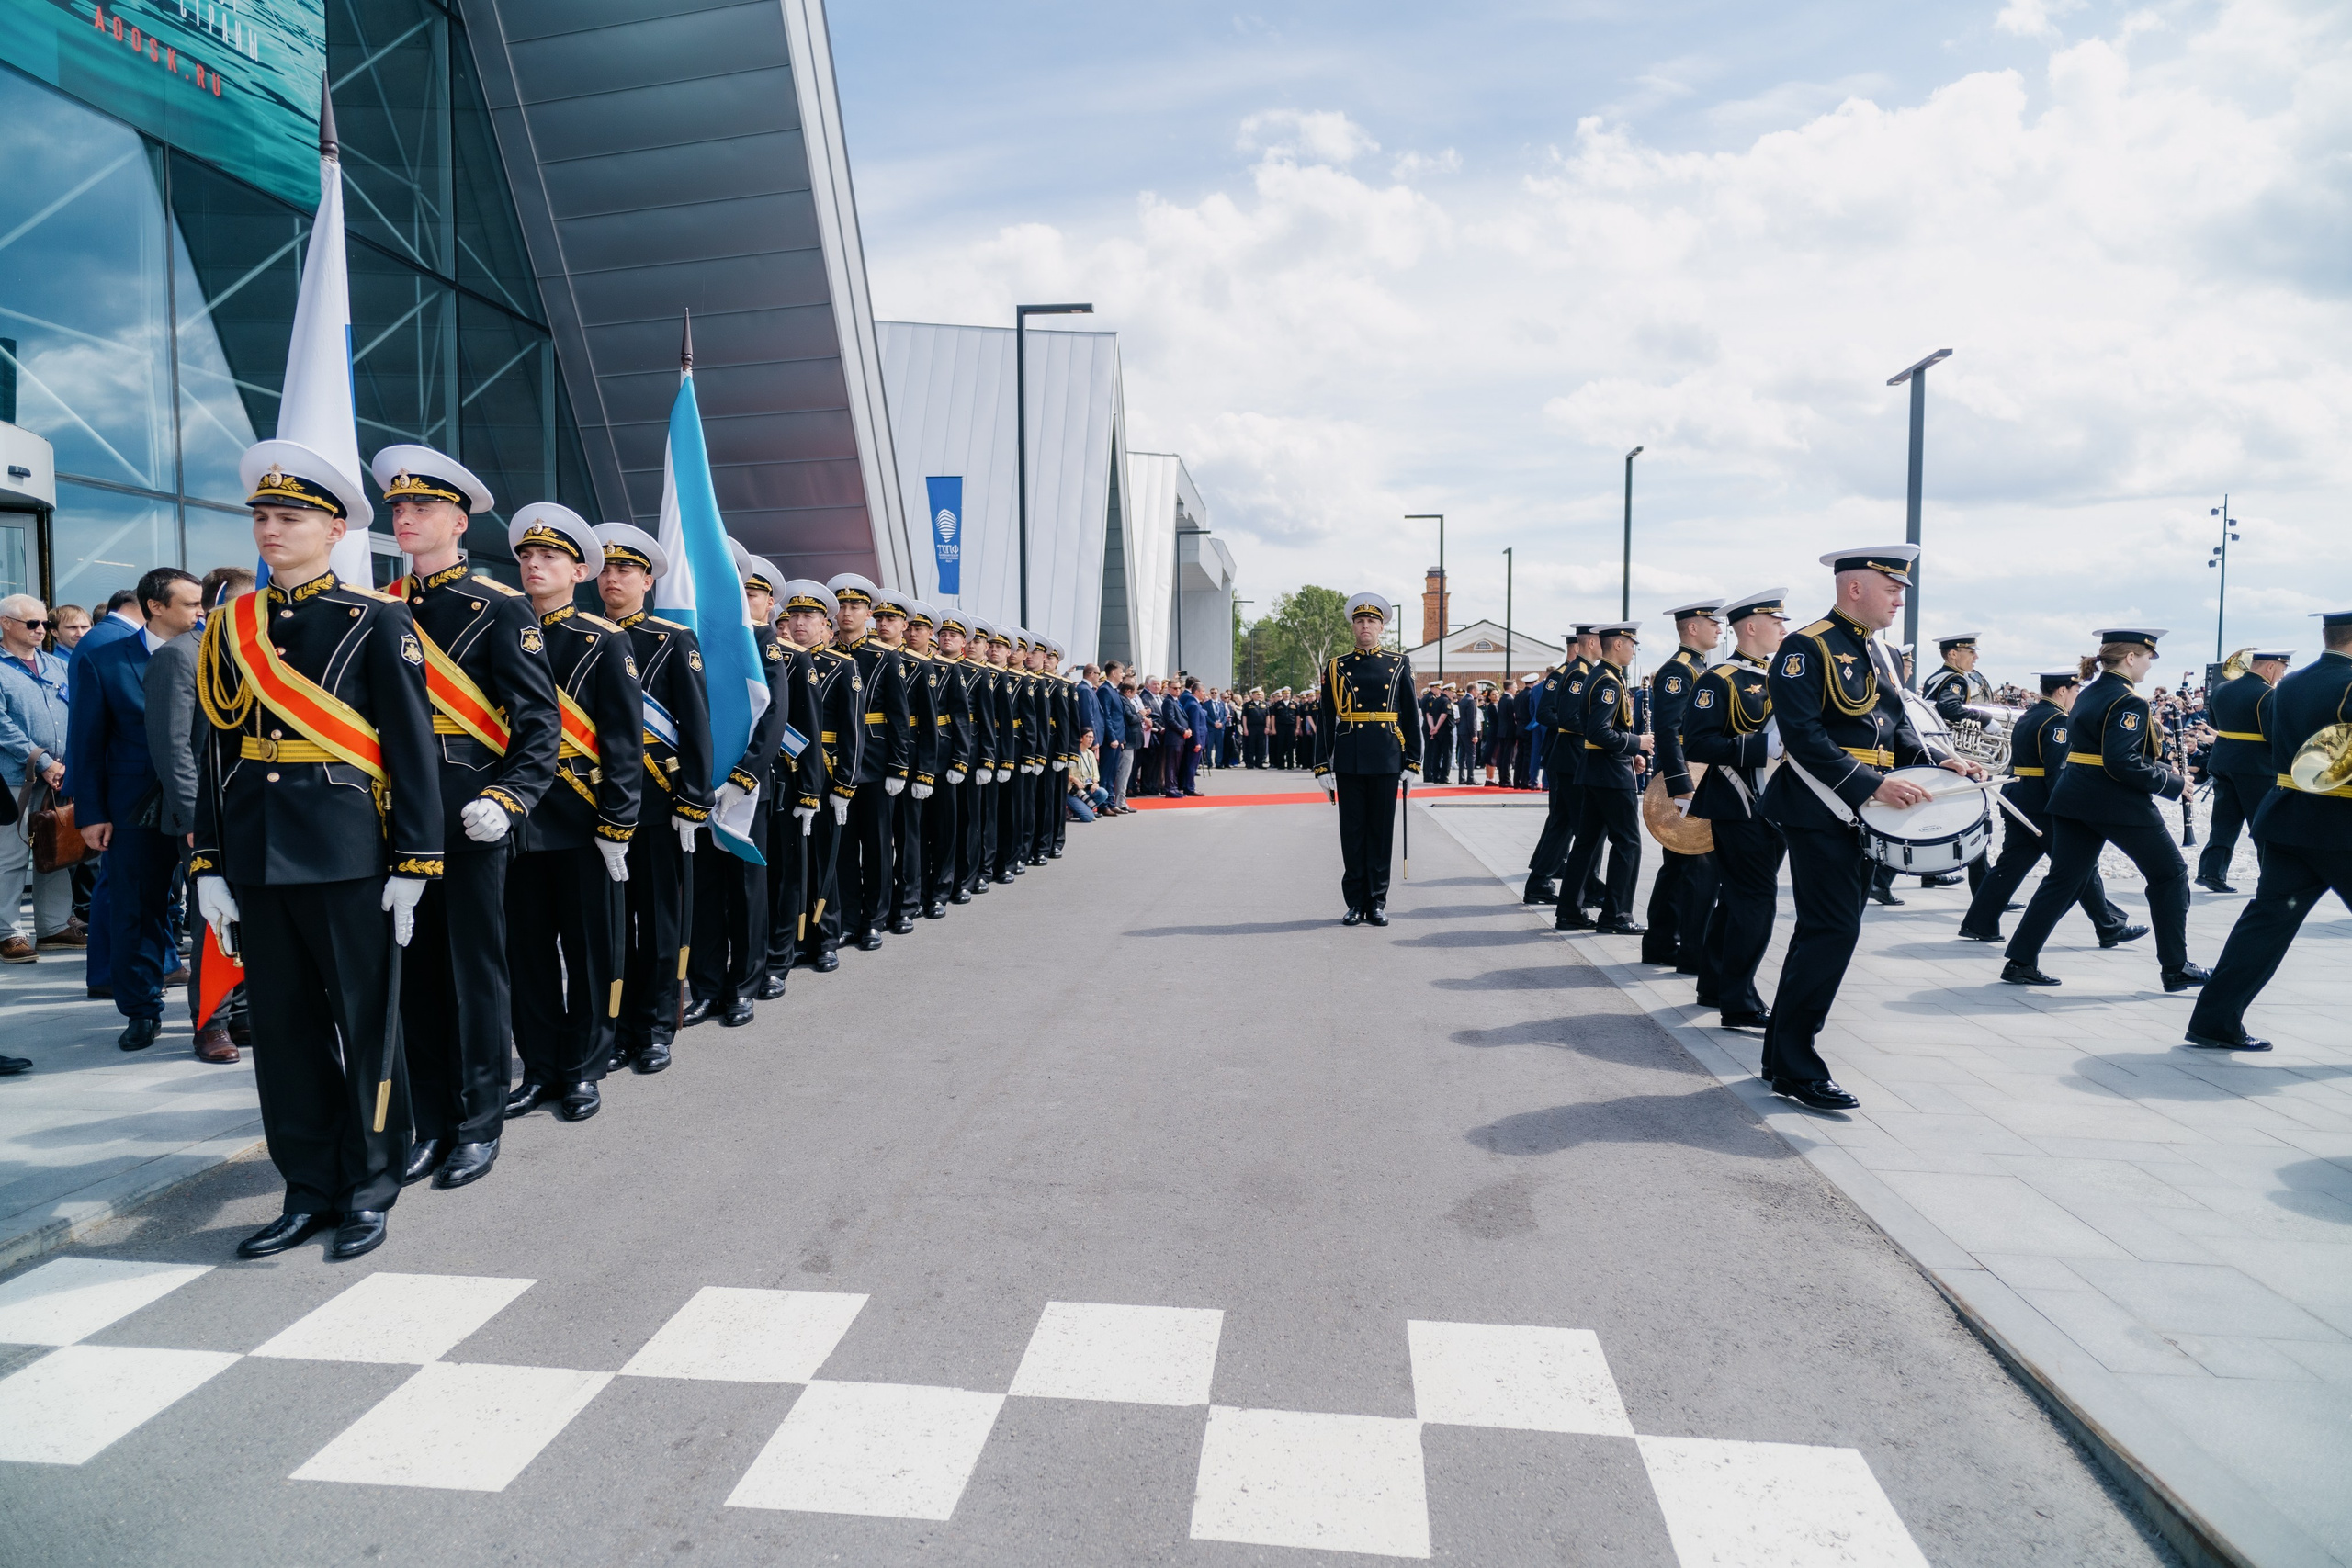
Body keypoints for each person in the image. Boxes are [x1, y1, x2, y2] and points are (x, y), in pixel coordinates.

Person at [192, 438, 441, 1261]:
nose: (271, 529)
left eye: (290, 517)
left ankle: (370, 1184)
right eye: (263, 516)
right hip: (258, 854)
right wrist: (208, 862)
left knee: (367, 1027)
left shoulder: (378, 618)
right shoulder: (231, 626)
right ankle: (306, 1187)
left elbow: (411, 749)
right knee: (285, 1034)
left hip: (347, 853)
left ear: (335, 529)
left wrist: (415, 861)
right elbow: (215, 749)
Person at [375, 445, 560, 1193]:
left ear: (458, 521)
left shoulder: (499, 607)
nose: (405, 517)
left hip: (468, 810)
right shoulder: (378, 605)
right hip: (392, 813)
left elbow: (539, 724)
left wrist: (509, 797)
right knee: (414, 973)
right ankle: (432, 1121)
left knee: (473, 972)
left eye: (421, 507)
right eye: (397, 507)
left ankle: (479, 1121)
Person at [1758, 545, 1981, 1111]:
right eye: (1892, 589)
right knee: (1833, 931)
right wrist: (1870, 785)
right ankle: (1798, 1067)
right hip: (1820, 806)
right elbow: (1803, 735)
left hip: (1864, 808)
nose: (1900, 600)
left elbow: (1893, 728)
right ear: (1855, 588)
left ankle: (1780, 1056)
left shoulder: (1878, 652)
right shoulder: (1806, 646)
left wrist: (1940, 761)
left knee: (1824, 931)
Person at [502, 505, 640, 1124]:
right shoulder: (499, 630)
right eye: (527, 556)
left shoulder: (604, 641)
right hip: (515, 819)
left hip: (582, 816)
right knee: (526, 955)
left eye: (550, 557)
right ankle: (540, 1067)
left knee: (590, 952)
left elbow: (623, 741)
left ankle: (584, 1066)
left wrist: (617, 821)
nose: (535, 565)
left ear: (579, 571)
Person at [2000, 630, 2209, 993]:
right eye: (2147, 657)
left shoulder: (2089, 692)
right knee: (2170, 875)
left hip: (2074, 794)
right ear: (2130, 657)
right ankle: (2175, 967)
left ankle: (2020, 960)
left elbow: (2098, 752)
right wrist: (2172, 783)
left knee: (2064, 880)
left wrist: (2164, 773)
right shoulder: (2129, 700)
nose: (2149, 665)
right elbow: (2120, 762)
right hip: (2114, 800)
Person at [2185, 611, 2352, 1051]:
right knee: (2266, 921)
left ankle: (2214, 1021)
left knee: (2265, 923)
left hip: (2288, 816)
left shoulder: (2290, 683)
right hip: (2340, 825)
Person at [68, 566, 203, 1050]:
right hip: (131, 809)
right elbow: (86, 743)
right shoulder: (104, 660)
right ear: (156, 607)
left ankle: (214, 1014)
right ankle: (141, 1011)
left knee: (210, 908)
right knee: (136, 910)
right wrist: (90, 813)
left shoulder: (210, 654)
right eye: (190, 604)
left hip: (200, 802)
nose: (201, 612)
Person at [601, 524, 713, 1072]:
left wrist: (692, 801)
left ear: (648, 581)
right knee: (610, 926)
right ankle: (615, 1028)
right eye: (606, 568)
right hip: (594, 797)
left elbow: (696, 726)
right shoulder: (582, 634)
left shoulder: (671, 641)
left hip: (655, 800)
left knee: (658, 921)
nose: (613, 578)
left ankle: (655, 1026)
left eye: (625, 569)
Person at [144, 568, 253, 1062]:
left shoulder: (255, 653)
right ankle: (211, 1022)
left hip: (254, 810)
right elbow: (172, 747)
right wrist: (193, 820)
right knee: (213, 919)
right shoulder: (179, 655)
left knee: (248, 914)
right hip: (207, 815)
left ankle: (244, 1012)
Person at [1956, 669, 2143, 948]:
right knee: (2080, 864)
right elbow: (2057, 771)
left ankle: (1979, 922)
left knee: (2012, 864)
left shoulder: (2030, 715)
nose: (2078, 696)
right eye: (2076, 690)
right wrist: (2071, 809)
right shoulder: (2058, 722)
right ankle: (2108, 926)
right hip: (2042, 803)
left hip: (2019, 797)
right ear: (2063, 690)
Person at [684, 547, 793, 1027]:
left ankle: (744, 985)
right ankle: (706, 988)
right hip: (700, 786)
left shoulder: (763, 643)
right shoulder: (693, 637)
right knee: (705, 893)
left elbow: (772, 718)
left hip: (744, 790)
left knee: (747, 890)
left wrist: (744, 776)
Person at [1682, 589, 1789, 1029]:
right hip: (1737, 801)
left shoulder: (1779, 677)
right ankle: (1740, 1002)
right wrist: (1762, 747)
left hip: (1772, 804)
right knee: (1757, 902)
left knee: (1738, 899)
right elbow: (1698, 743)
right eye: (1776, 622)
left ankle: (1714, 984)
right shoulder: (1720, 679)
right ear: (1750, 627)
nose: (1783, 629)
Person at [1314, 593, 1419, 925]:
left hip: (1387, 756)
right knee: (1353, 832)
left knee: (1380, 832)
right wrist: (1322, 765)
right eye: (1360, 621)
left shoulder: (1399, 663)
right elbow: (1326, 717)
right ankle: (1355, 902)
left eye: (1371, 621)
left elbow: (1411, 714)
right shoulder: (1337, 666)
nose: (1365, 626)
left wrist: (1412, 762)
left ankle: (1376, 901)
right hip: (1351, 757)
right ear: (1353, 627)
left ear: (1381, 627)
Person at [827, 574, 910, 949]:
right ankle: (848, 918)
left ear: (869, 613)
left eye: (856, 606)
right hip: (835, 762)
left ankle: (874, 918)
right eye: (842, 606)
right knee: (843, 846)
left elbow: (899, 717)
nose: (847, 612)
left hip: (874, 763)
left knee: (876, 845)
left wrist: (898, 766)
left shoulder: (885, 657)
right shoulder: (825, 655)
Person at [1554, 622, 1651, 935]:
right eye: (1632, 644)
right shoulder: (1608, 680)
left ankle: (1570, 911)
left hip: (1600, 768)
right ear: (1618, 644)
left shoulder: (1601, 675)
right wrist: (1637, 743)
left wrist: (1630, 752)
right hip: (1610, 773)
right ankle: (1616, 915)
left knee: (1587, 843)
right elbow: (1599, 732)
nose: (1634, 651)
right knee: (1628, 843)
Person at [1643, 599, 1724, 968]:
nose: (1719, 628)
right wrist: (1682, 785)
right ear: (1693, 627)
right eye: (1712, 622)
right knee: (1697, 869)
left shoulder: (1699, 667)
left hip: (1696, 774)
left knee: (1681, 867)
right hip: (1688, 778)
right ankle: (1689, 951)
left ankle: (1662, 944)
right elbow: (1669, 731)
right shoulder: (1679, 670)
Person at [788, 581, 861, 971]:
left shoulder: (842, 666)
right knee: (793, 861)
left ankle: (827, 936)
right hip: (788, 773)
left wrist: (845, 784)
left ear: (824, 625)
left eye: (809, 616)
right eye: (795, 616)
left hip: (827, 773)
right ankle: (798, 938)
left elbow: (853, 731)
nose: (800, 623)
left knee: (824, 859)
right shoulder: (781, 660)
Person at [0, 593, 74, 966]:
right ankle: (8, 932)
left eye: (44, 623)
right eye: (32, 623)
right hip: (15, 778)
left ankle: (54, 926)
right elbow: (2, 725)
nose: (41, 630)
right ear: (5, 623)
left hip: (59, 776)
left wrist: (67, 764)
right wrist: (43, 761)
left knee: (56, 848)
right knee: (11, 855)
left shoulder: (57, 665)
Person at [2196, 649, 2291, 893]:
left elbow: (2215, 724)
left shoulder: (2221, 689)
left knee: (2224, 821)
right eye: (2282, 669)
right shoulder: (2267, 694)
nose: (2282, 675)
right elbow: (2272, 734)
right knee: (2263, 824)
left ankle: (2210, 871)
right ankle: (2271, 879)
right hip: (2255, 767)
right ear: (2270, 667)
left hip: (2223, 761)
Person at [1921, 634, 1996, 893]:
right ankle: (1986, 892)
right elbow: (1950, 709)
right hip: (1951, 754)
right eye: (1971, 652)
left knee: (1934, 814)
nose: (1976, 657)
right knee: (1977, 818)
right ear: (1953, 654)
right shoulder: (1955, 679)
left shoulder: (1936, 677)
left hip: (1937, 751)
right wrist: (1985, 718)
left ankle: (1891, 880)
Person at [1068, 728, 1113, 820]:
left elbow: (1095, 773)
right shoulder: (1072, 753)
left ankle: (1077, 811)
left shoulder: (1090, 753)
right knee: (1088, 818)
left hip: (1086, 789)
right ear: (1081, 738)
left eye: (1092, 737)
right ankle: (1083, 811)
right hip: (1072, 791)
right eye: (1088, 736)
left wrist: (1095, 783)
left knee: (1103, 793)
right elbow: (1063, 774)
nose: (1091, 739)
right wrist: (1074, 779)